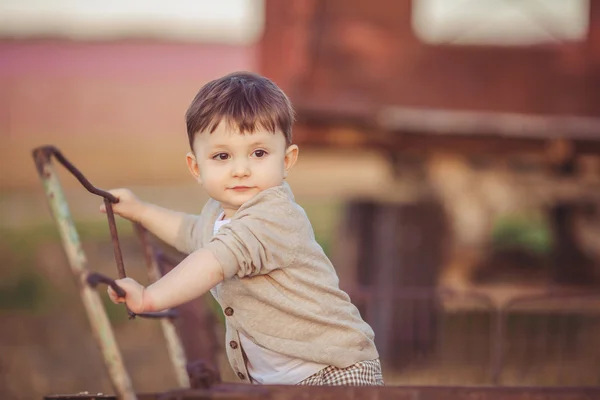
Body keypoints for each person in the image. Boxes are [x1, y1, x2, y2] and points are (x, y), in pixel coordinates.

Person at [102, 71, 383, 386]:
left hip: (334, 372)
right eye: (222, 156)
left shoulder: (273, 217)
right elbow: (191, 233)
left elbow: (213, 262)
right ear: (197, 167)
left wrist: (150, 298)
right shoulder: (219, 215)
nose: (240, 170)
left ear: (286, 160)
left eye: (259, 153)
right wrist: (141, 211)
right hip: (285, 382)